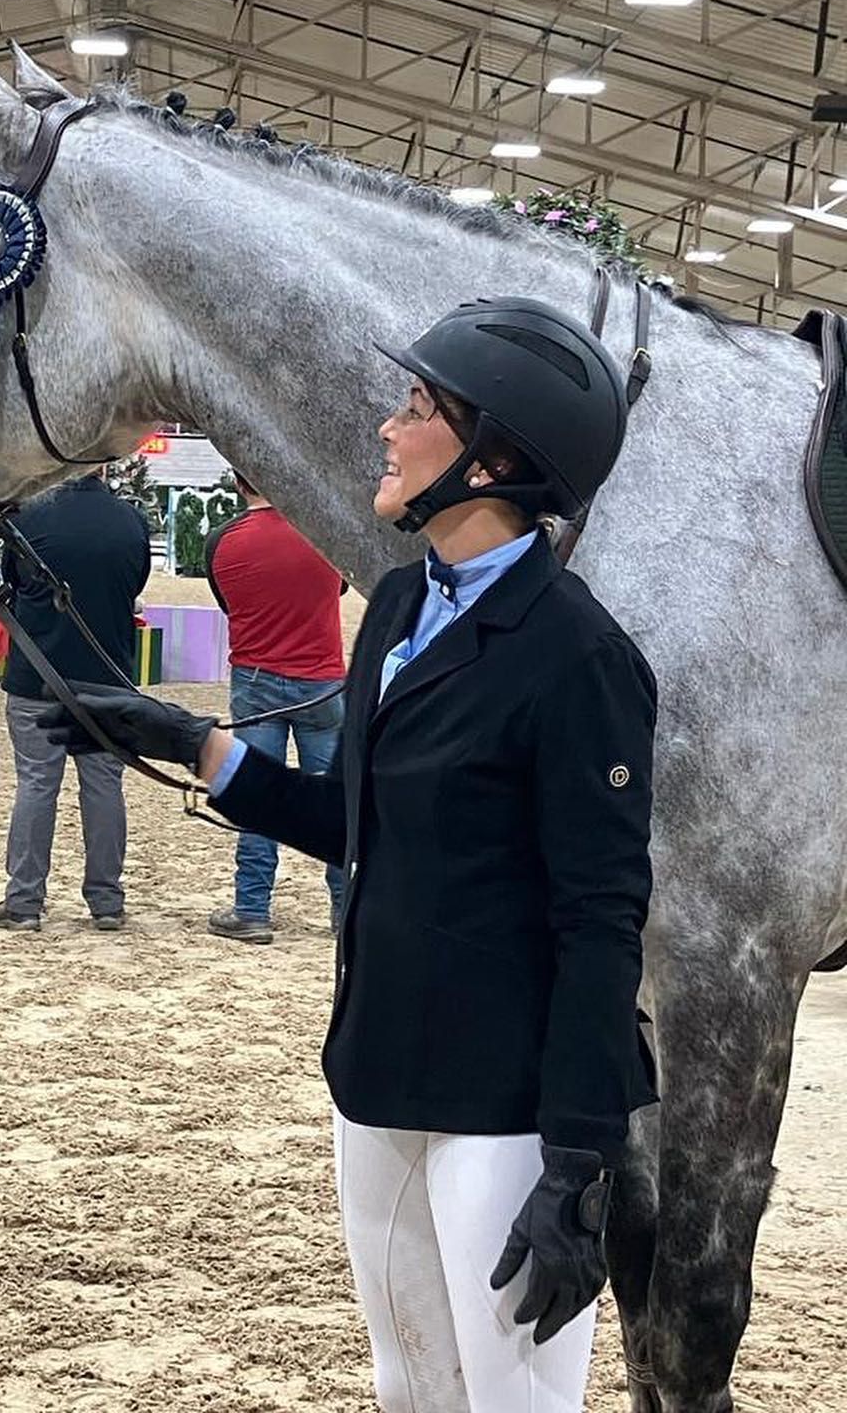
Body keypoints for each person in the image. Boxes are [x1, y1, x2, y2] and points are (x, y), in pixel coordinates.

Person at [36, 298, 658, 1413]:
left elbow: (599, 918)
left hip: (507, 1108)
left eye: (417, 407)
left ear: (493, 459)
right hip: (375, 1071)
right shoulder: (400, 606)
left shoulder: (579, 657)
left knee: (512, 1401)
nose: (385, 425)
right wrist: (189, 743)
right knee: (404, 1384)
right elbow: (360, 830)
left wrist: (578, 1161)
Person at [0, 467, 151, 933]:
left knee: (36, 783)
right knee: (104, 785)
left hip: (38, 675)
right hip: (109, 673)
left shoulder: (29, 517)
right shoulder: (130, 521)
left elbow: (15, 582)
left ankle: (24, 900)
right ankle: (106, 900)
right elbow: (134, 585)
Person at [203, 472, 346, 942]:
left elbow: (229, 603)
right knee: (339, 800)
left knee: (256, 795)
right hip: (322, 679)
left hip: (257, 677)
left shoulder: (222, 543)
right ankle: (346, 913)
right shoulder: (323, 535)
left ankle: (252, 907)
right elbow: (339, 589)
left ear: (240, 486)